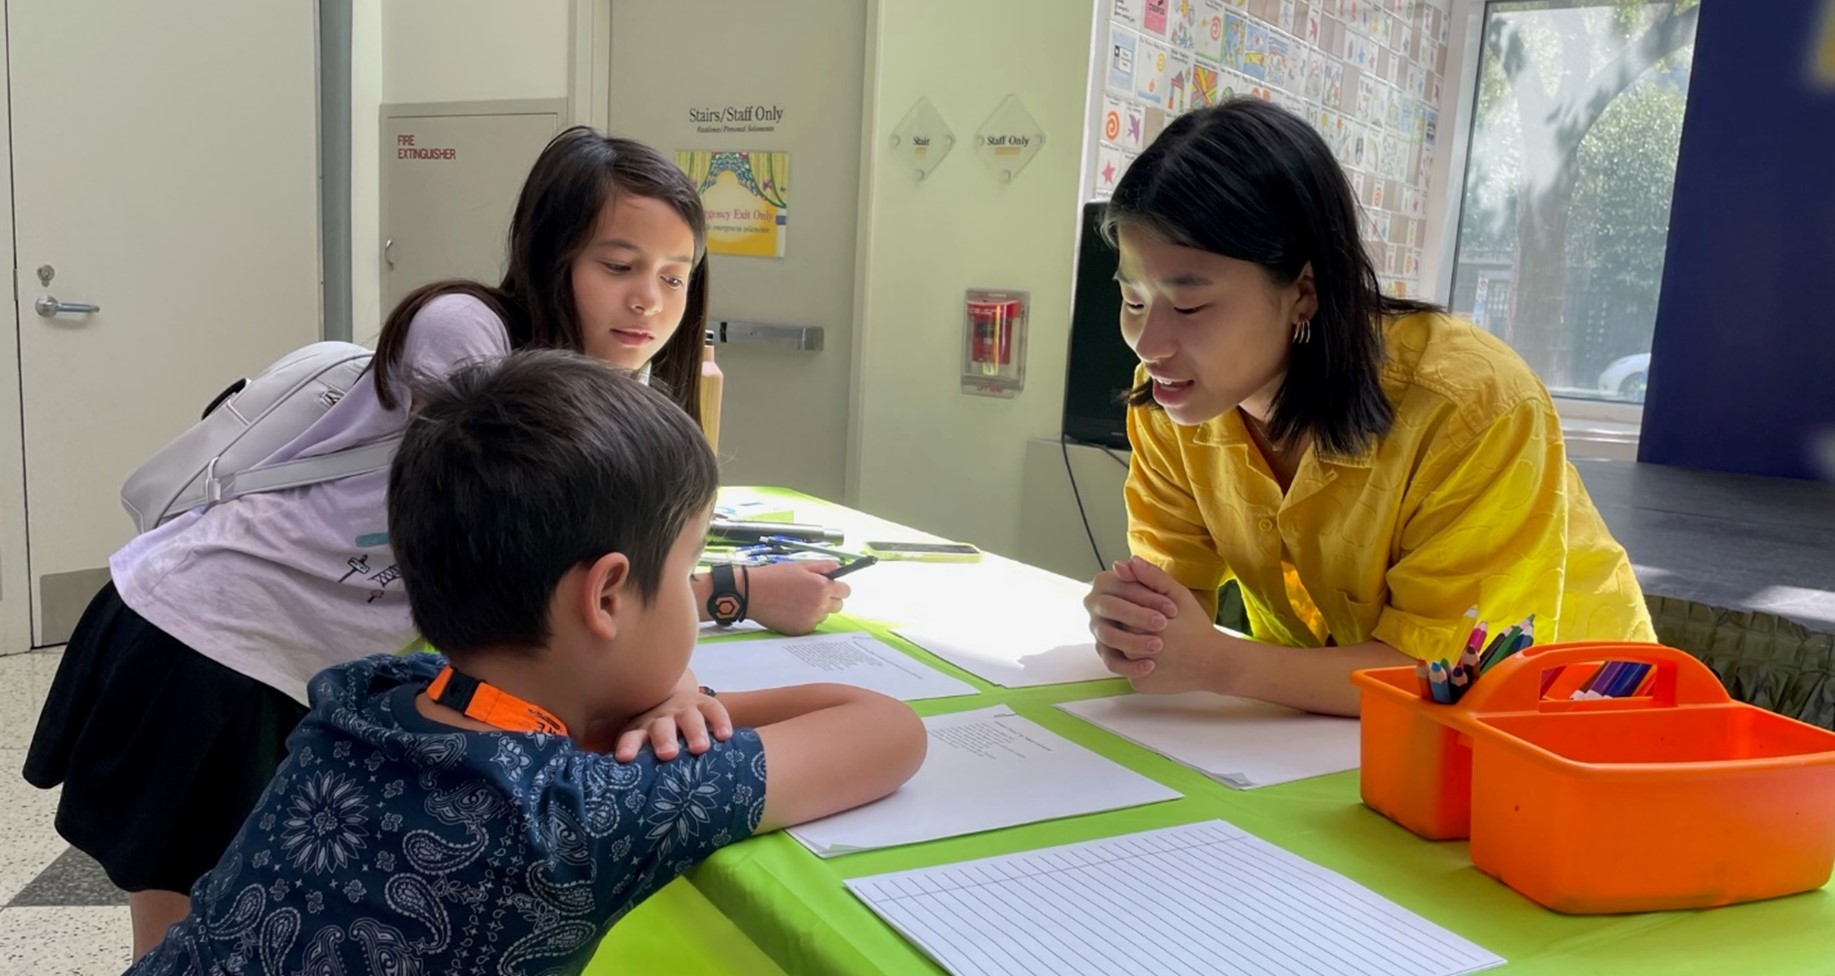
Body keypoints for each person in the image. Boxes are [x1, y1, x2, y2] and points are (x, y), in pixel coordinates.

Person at [25, 127, 846, 958]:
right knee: (188, 925)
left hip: (297, 656)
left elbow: (591, 579)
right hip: (209, 634)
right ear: (550, 253)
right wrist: (690, 650)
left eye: (675, 276)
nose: (649, 301)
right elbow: (541, 568)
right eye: (618, 265)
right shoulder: (471, 335)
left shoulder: (597, 387)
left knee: (263, 916)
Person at [126, 350, 927, 975]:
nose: (691, 596)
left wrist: (638, 702)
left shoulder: (368, 696)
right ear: (607, 596)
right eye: (687, 572)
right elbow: (885, 729)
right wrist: (664, 707)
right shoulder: (578, 816)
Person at [1083, 99, 1654, 717]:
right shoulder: (1173, 400)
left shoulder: (1470, 404)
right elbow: (1176, 607)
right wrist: (1138, 624)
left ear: (1303, 290)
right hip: (1346, 731)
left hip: (1575, 724)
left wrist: (1220, 663)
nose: (1150, 343)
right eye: (1134, 300)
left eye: (1188, 307)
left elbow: (1450, 675)